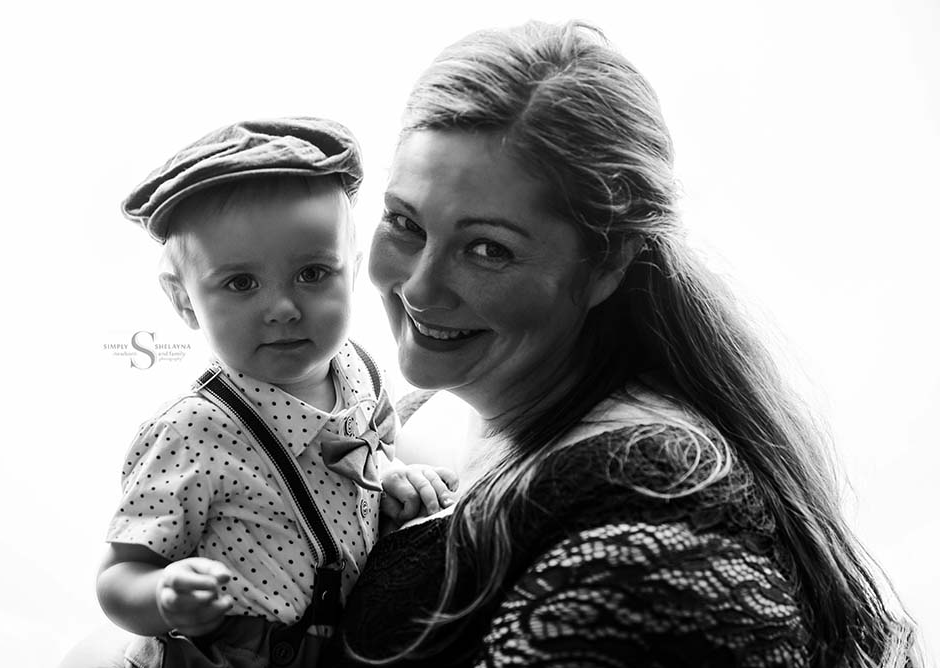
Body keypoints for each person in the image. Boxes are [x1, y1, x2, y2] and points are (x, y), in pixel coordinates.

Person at [328, 20, 925, 668]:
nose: (420, 285)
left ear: (607, 262)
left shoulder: (656, 515)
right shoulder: (416, 418)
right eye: (405, 223)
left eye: (487, 250)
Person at [94, 118, 457, 667]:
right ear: (184, 301)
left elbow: (374, 452)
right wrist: (166, 596)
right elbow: (119, 577)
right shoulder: (191, 430)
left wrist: (392, 478)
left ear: (352, 271)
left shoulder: (358, 368)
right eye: (240, 283)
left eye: (313, 273)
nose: (284, 307)